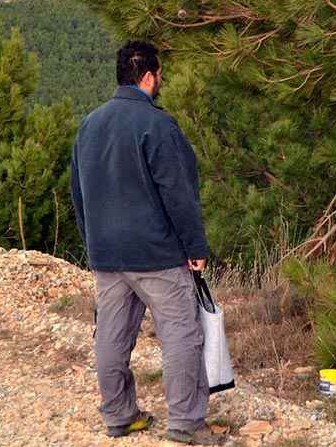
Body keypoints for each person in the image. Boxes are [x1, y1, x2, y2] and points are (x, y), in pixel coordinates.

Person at [70, 40, 224, 445]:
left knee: (111, 336)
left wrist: (93, 243)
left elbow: (78, 194)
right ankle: (186, 422)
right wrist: (195, 247)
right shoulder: (158, 125)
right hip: (156, 253)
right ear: (150, 77)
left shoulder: (89, 125)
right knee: (181, 336)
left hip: (107, 254)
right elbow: (179, 193)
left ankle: (119, 416)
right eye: (160, 75)